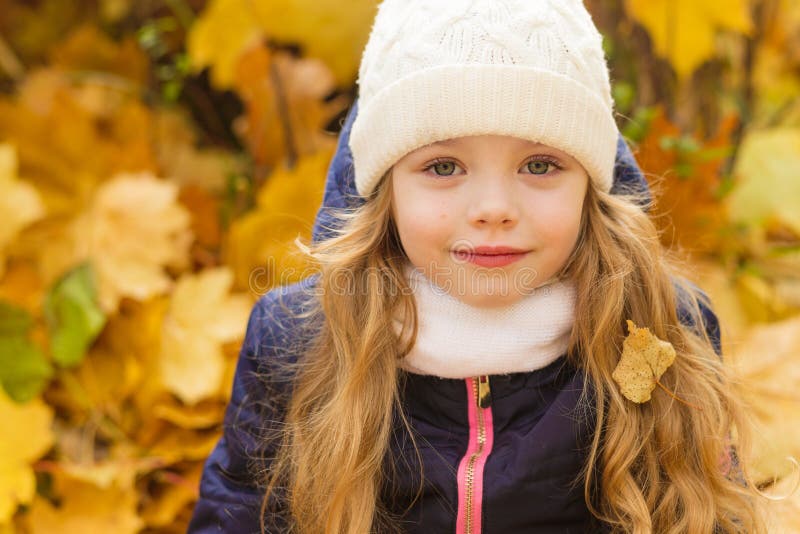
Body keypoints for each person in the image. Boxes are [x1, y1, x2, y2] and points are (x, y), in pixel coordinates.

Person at [188, 0, 766, 532]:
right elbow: (240, 514)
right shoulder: (300, 340)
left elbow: (708, 512)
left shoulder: (659, 326)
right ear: (385, 190)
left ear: (591, 186)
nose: (493, 210)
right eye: (444, 167)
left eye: (540, 165)